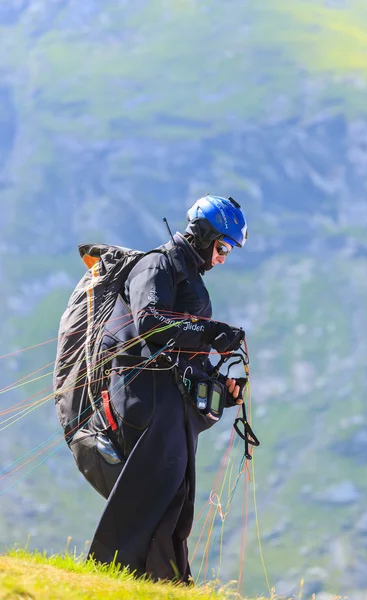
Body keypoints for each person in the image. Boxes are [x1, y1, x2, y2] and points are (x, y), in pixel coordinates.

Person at [87, 194, 248, 583]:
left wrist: (220, 387)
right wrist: (212, 332)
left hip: (167, 402)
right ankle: (108, 577)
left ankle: (166, 583)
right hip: (144, 397)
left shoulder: (189, 276)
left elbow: (186, 353)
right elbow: (153, 325)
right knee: (153, 494)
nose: (223, 257)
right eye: (223, 246)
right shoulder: (157, 265)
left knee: (175, 499)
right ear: (204, 235)